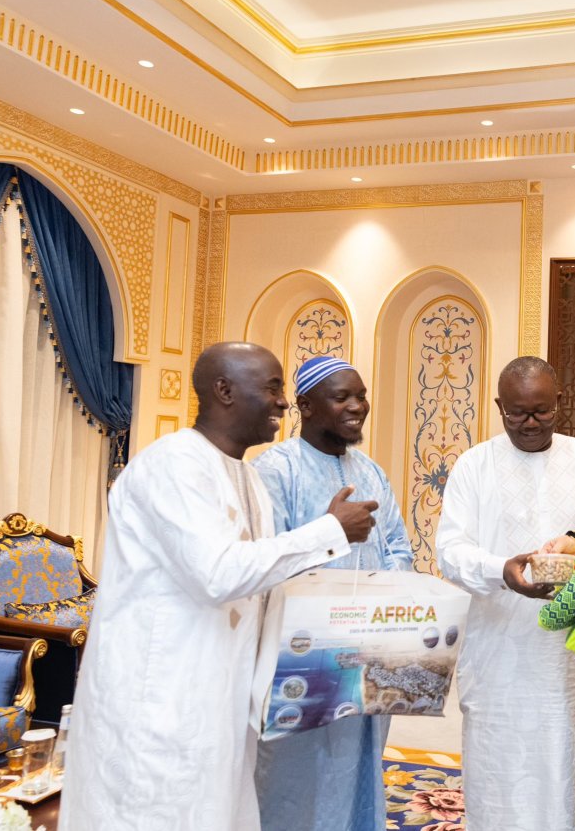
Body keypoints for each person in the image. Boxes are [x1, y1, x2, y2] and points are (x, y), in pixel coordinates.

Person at [61, 342, 379, 831]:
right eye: (272, 387)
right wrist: (329, 531)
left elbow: (265, 583)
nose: (283, 402)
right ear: (224, 390)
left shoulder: (249, 479)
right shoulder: (172, 464)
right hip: (162, 699)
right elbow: (217, 574)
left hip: (224, 700)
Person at [436, 356, 575, 831]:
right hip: (497, 653)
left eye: (541, 412)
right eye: (517, 413)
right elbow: (450, 550)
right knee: (497, 770)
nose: (529, 423)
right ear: (500, 406)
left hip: (570, 658)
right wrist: (501, 570)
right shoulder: (474, 465)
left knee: (569, 763)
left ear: (558, 404)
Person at [252, 355, 414, 831]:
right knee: (293, 775)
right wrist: (328, 530)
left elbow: (398, 547)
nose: (357, 406)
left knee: (357, 762)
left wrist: (388, 602)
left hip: (367, 652)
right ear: (305, 404)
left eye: (360, 395)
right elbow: (265, 560)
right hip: (301, 657)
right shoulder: (275, 471)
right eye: (341, 396)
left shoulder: (371, 472)